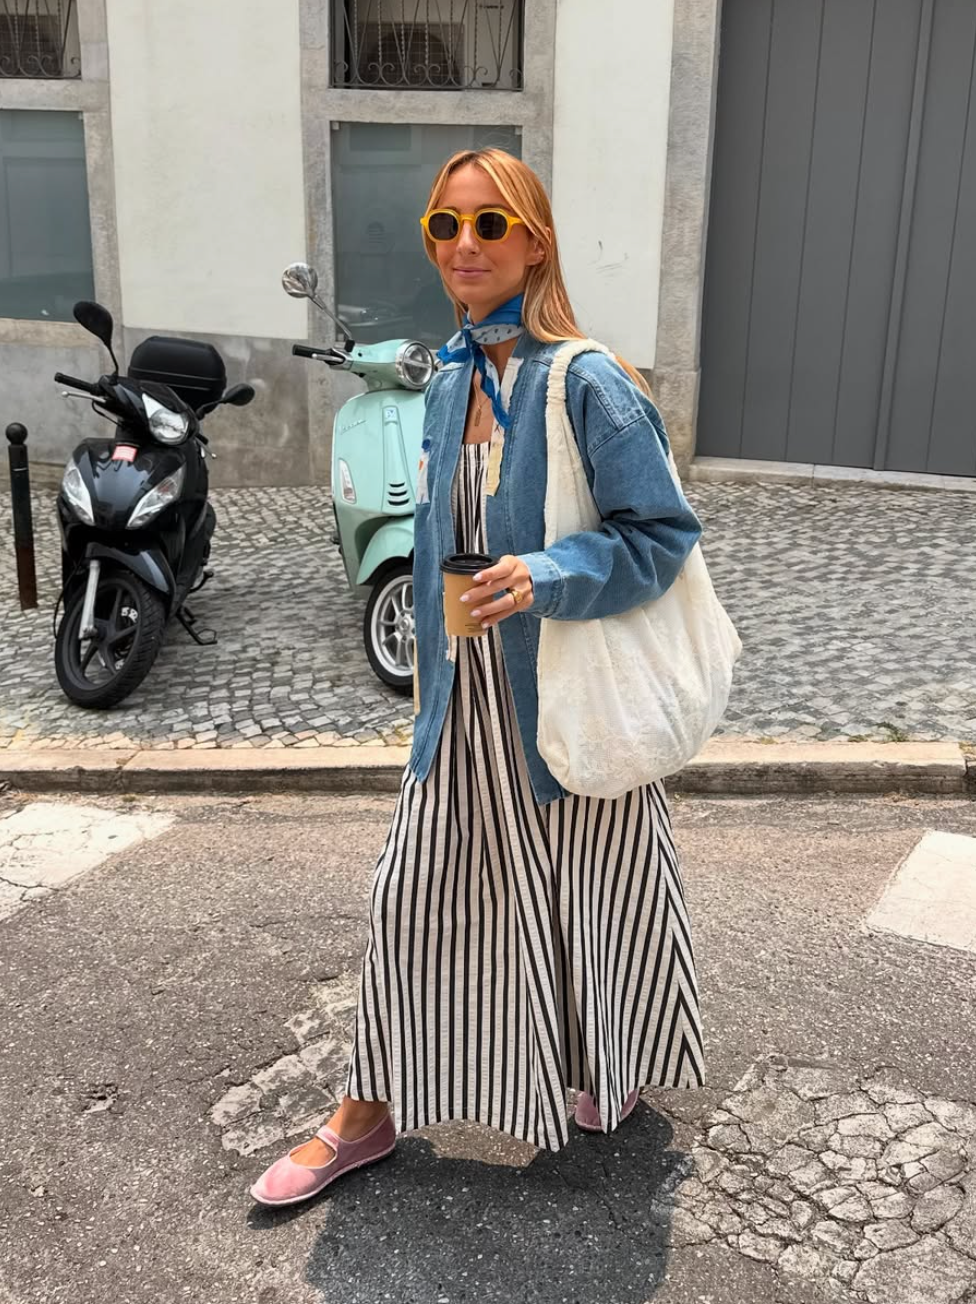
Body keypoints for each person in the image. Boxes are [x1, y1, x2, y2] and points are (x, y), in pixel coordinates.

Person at [250, 148, 705, 1207]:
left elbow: (662, 533)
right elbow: (434, 539)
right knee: (412, 894)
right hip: (463, 706)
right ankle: (366, 1112)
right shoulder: (448, 373)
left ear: (533, 240)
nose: (463, 245)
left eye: (488, 224)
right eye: (444, 226)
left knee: (591, 892)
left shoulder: (588, 380)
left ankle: (601, 1059)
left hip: (564, 696)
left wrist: (548, 572)